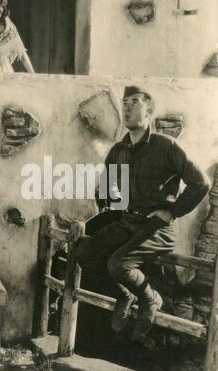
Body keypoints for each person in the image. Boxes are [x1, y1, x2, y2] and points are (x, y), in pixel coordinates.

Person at [76, 85, 210, 343]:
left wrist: (171, 213)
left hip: (158, 227)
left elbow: (201, 183)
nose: (127, 107)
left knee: (119, 264)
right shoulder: (118, 150)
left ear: (149, 111)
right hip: (128, 221)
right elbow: (109, 194)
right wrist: (103, 193)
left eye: (134, 102)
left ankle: (150, 298)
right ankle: (125, 294)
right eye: (124, 103)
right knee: (85, 253)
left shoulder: (166, 146)